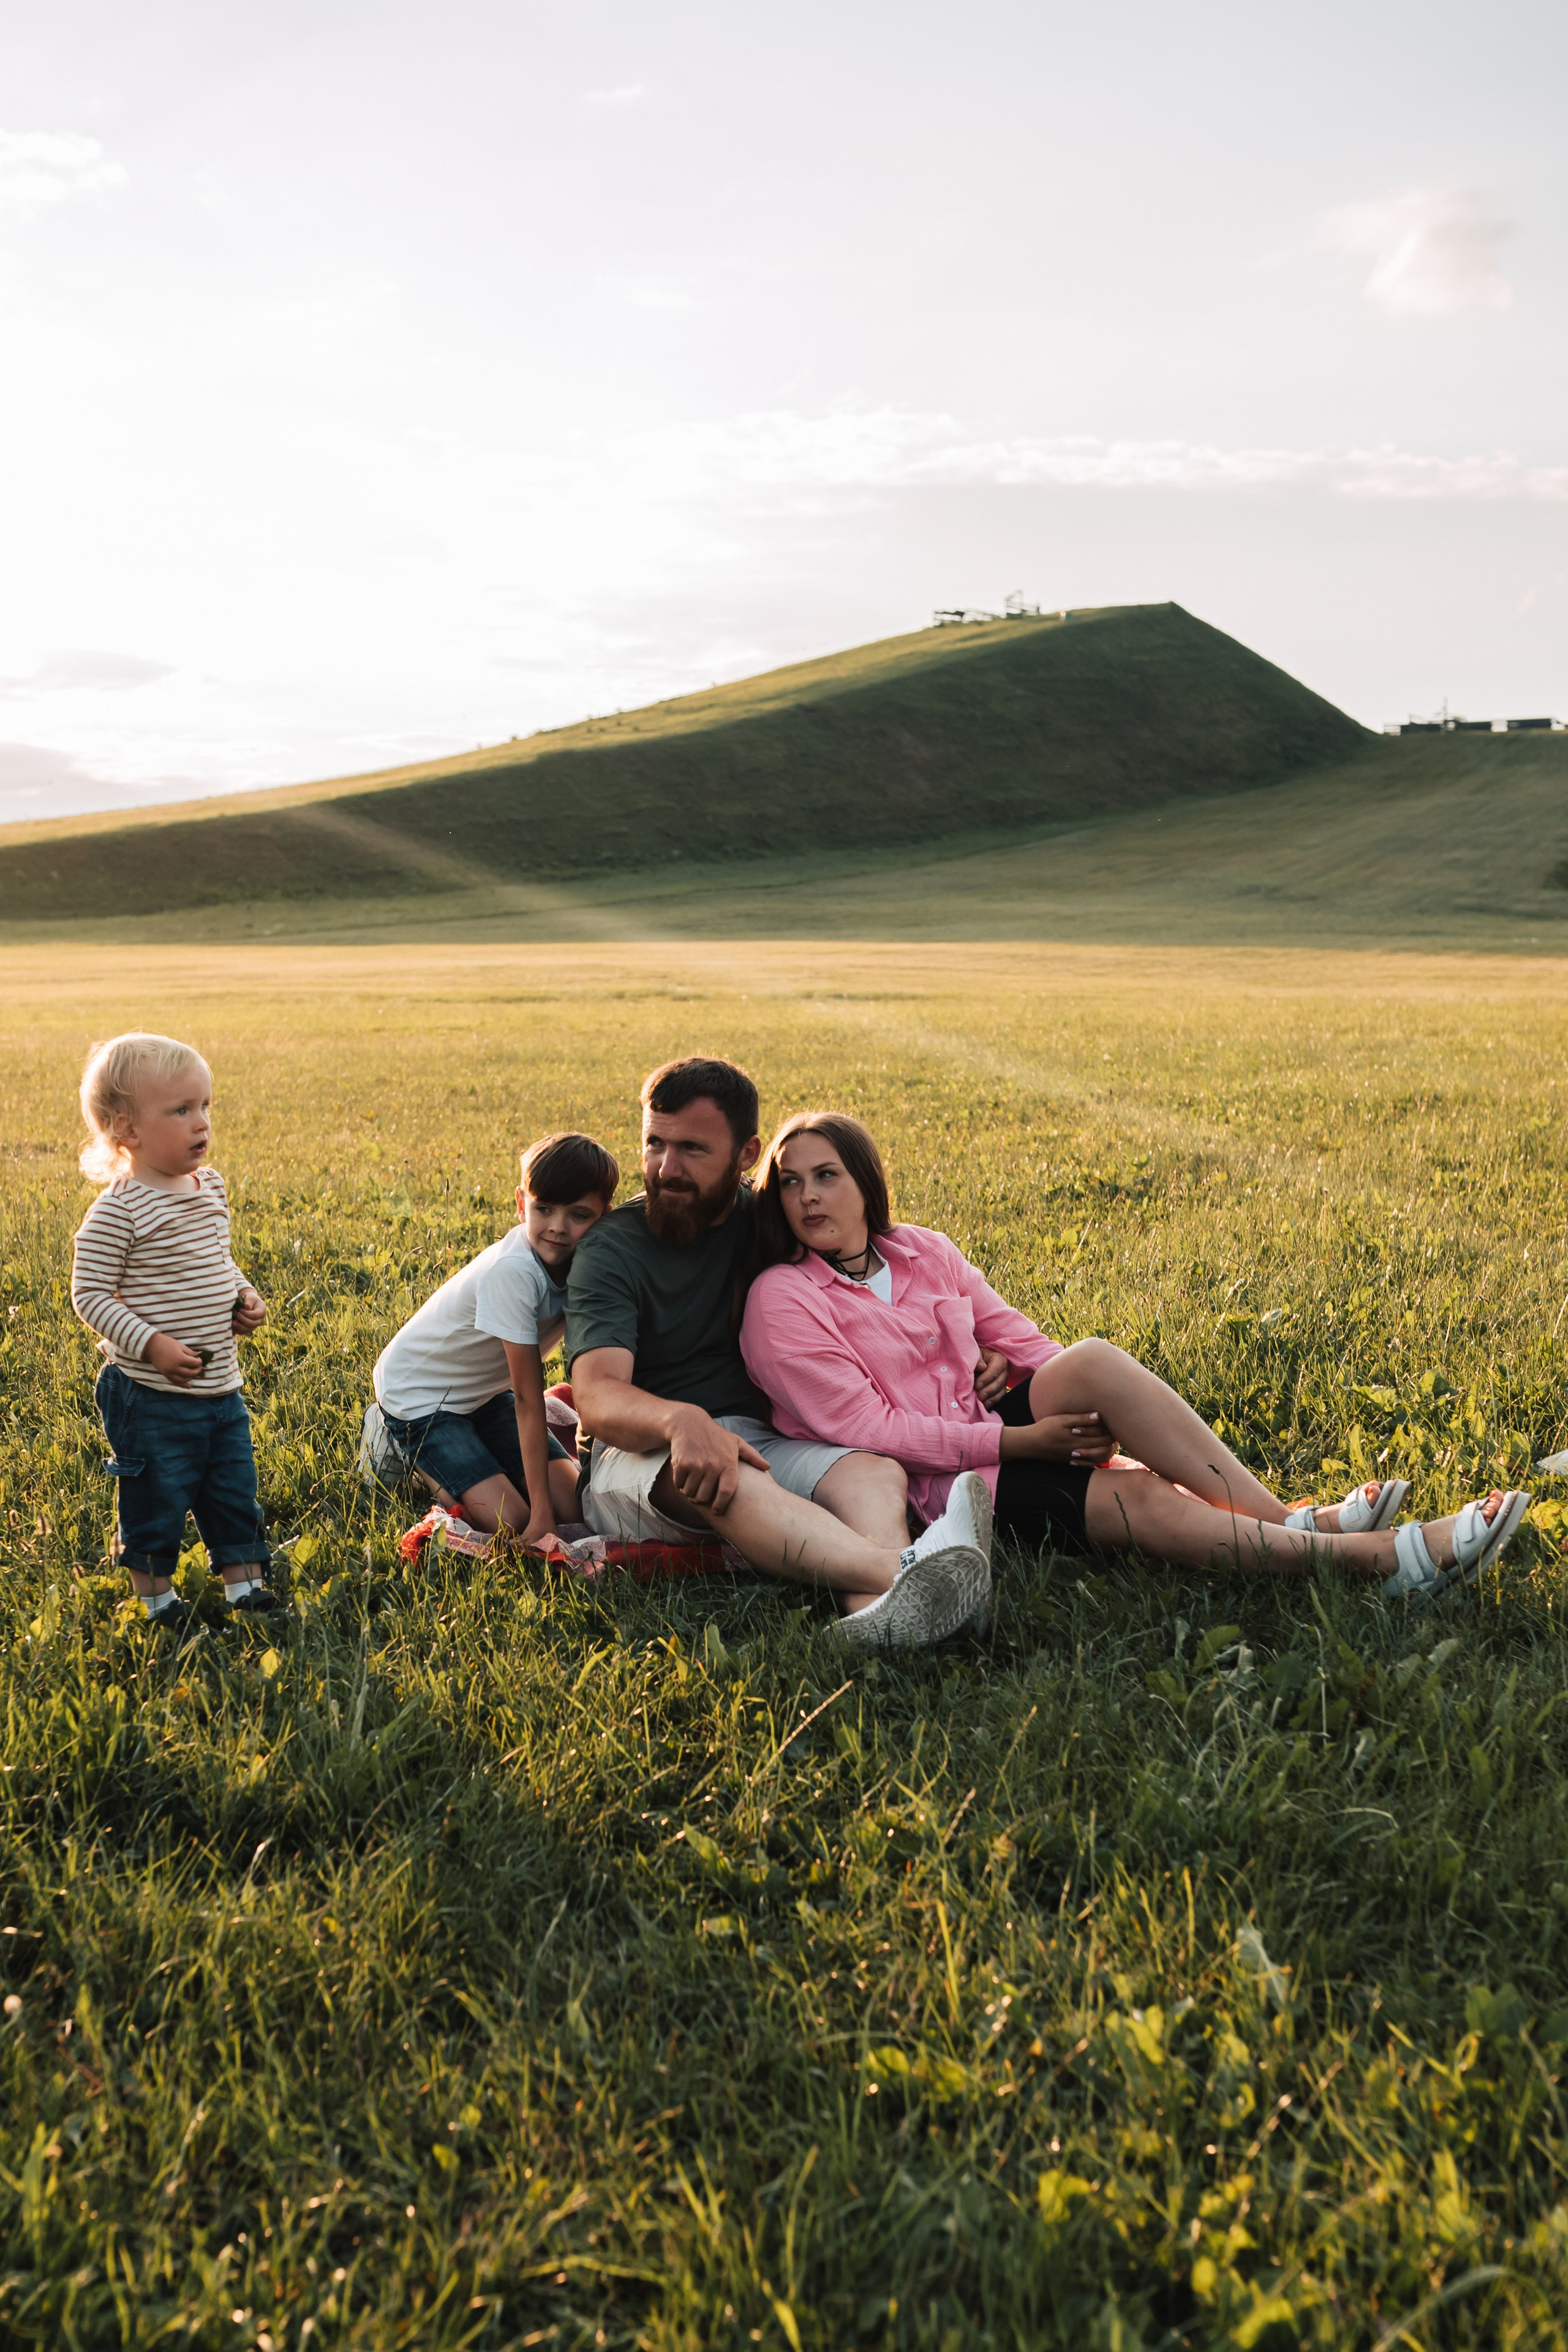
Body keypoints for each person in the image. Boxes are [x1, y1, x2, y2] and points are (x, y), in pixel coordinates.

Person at [738, 1110, 1531, 1620]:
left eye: (826, 1175)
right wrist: (1025, 1443)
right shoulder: (784, 1298)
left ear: (864, 1180)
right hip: (950, 1485)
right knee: (1144, 1501)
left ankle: (1281, 1516)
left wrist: (1077, 1421)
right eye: (790, 1183)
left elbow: (1026, 1343)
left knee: (1090, 1359)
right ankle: (1379, 1559)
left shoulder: (923, 1251)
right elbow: (870, 1430)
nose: (808, 1197)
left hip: (998, 1429)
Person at [566, 1057, 993, 1646]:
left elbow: (874, 1270)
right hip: (640, 1450)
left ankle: (889, 1617)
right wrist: (680, 1420)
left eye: (692, 1148)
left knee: (873, 1470)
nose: (667, 1168)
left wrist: (972, 1345)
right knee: (727, 1474)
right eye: (654, 1143)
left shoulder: (773, 1216)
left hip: (765, 1436)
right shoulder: (612, 1249)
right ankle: (911, 1570)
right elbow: (595, 1397)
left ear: (747, 1154)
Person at [70, 1031, 281, 1632]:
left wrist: (244, 1297)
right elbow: (89, 1294)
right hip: (149, 1394)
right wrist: (152, 1344)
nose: (201, 1123)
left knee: (232, 1488)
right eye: (181, 1110)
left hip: (221, 1386)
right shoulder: (120, 1209)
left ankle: (246, 1588)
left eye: (205, 1106)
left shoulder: (208, 1187)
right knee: (156, 1495)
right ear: (126, 1130)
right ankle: (157, 1599)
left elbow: (219, 1259)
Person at [363, 1131, 618, 1545]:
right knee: (512, 1523)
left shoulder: (588, 1262)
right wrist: (539, 1516)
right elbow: (529, 1400)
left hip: (483, 1395)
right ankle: (395, 1444)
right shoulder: (514, 1273)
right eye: (545, 1209)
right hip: (421, 1399)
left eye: (579, 1215)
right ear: (522, 1204)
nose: (558, 1227)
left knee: (576, 1508)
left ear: (604, 1216)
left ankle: (477, 1450)